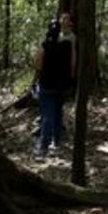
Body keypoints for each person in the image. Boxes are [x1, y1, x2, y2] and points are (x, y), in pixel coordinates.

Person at [34, 12, 76, 155]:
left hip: (46, 85)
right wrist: (69, 80)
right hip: (62, 85)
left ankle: (44, 146)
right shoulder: (68, 45)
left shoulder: (44, 45)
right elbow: (72, 65)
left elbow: (38, 66)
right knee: (57, 112)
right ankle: (56, 142)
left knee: (47, 114)